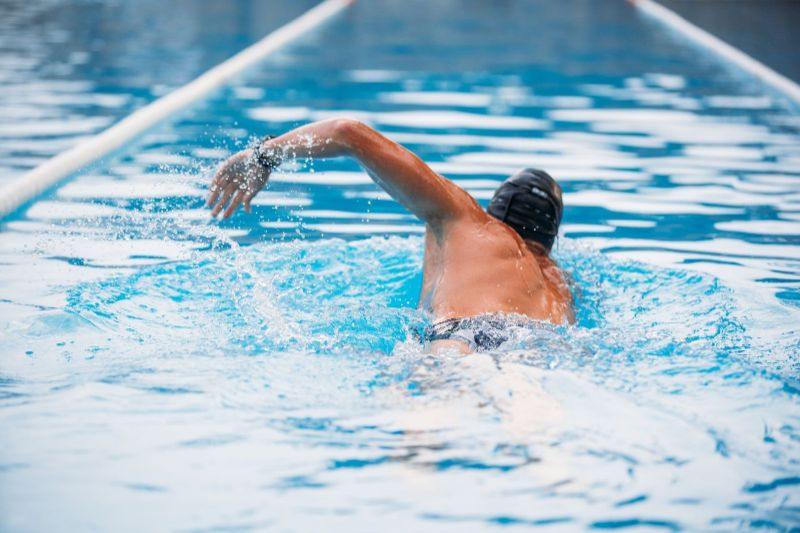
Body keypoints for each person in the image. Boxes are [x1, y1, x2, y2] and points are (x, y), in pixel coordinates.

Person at [206, 118, 574, 353]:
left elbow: (348, 133)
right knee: (538, 439)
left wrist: (261, 156)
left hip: (465, 336)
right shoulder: (559, 284)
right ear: (550, 236)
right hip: (540, 348)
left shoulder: (465, 222)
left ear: (496, 210)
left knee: (418, 448)